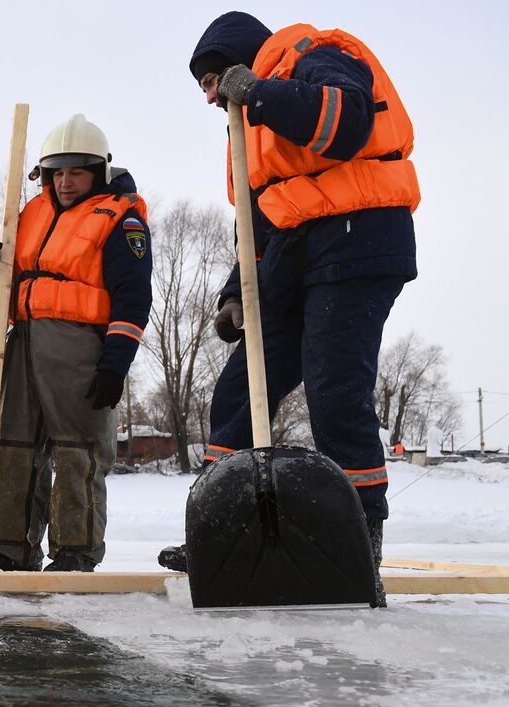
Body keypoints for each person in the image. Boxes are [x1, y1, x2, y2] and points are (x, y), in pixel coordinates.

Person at [159, 13, 420, 606]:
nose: (208, 95)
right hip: (294, 256)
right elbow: (257, 221)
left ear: (241, 62)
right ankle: (223, 529)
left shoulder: (313, 57)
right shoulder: (247, 130)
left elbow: (346, 123)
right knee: (236, 390)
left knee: (333, 388)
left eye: (211, 79)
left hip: (357, 240)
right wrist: (233, 293)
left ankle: (359, 546)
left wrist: (258, 93)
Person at [0, 115, 152, 573]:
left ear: (99, 171)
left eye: (76, 171)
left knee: (78, 449)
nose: (66, 182)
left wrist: (115, 363)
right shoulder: (30, 213)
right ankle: (11, 549)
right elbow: (11, 288)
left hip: (78, 347)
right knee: (14, 445)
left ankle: (76, 550)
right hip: (23, 340)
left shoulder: (119, 217)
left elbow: (133, 296)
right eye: (57, 172)